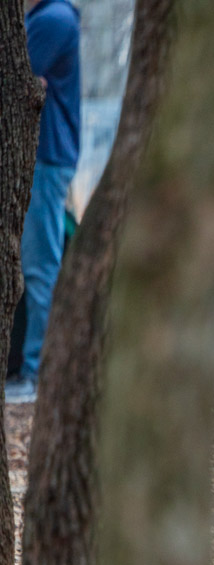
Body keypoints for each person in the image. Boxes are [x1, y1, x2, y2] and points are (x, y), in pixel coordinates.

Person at [11, 0, 80, 405]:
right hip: (36, 159)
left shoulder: (54, 19)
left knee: (40, 268)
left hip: (45, 158)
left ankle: (37, 374)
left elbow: (11, 79)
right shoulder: (38, 18)